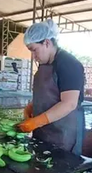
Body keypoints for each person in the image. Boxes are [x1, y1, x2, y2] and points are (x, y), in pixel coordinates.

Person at [18, 19, 85, 155]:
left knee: (62, 167)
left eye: (34, 50)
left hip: (64, 132)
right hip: (44, 130)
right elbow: (49, 94)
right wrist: (33, 105)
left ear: (47, 43)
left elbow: (69, 103)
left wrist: (37, 121)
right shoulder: (45, 64)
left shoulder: (68, 64)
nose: (33, 56)